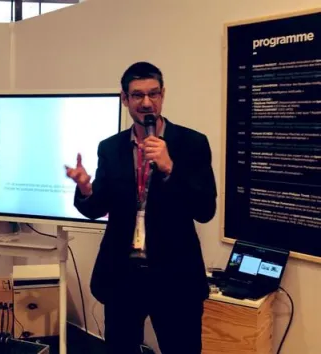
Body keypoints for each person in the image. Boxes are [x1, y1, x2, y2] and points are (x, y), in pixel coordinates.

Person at [65, 62, 217, 354]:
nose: (146, 102)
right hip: (123, 275)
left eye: (153, 94)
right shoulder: (110, 148)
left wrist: (170, 167)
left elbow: (205, 209)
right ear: (125, 99)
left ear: (163, 95)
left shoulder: (192, 143)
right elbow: (98, 207)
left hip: (175, 277)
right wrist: (85, 187)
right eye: (137, 95)